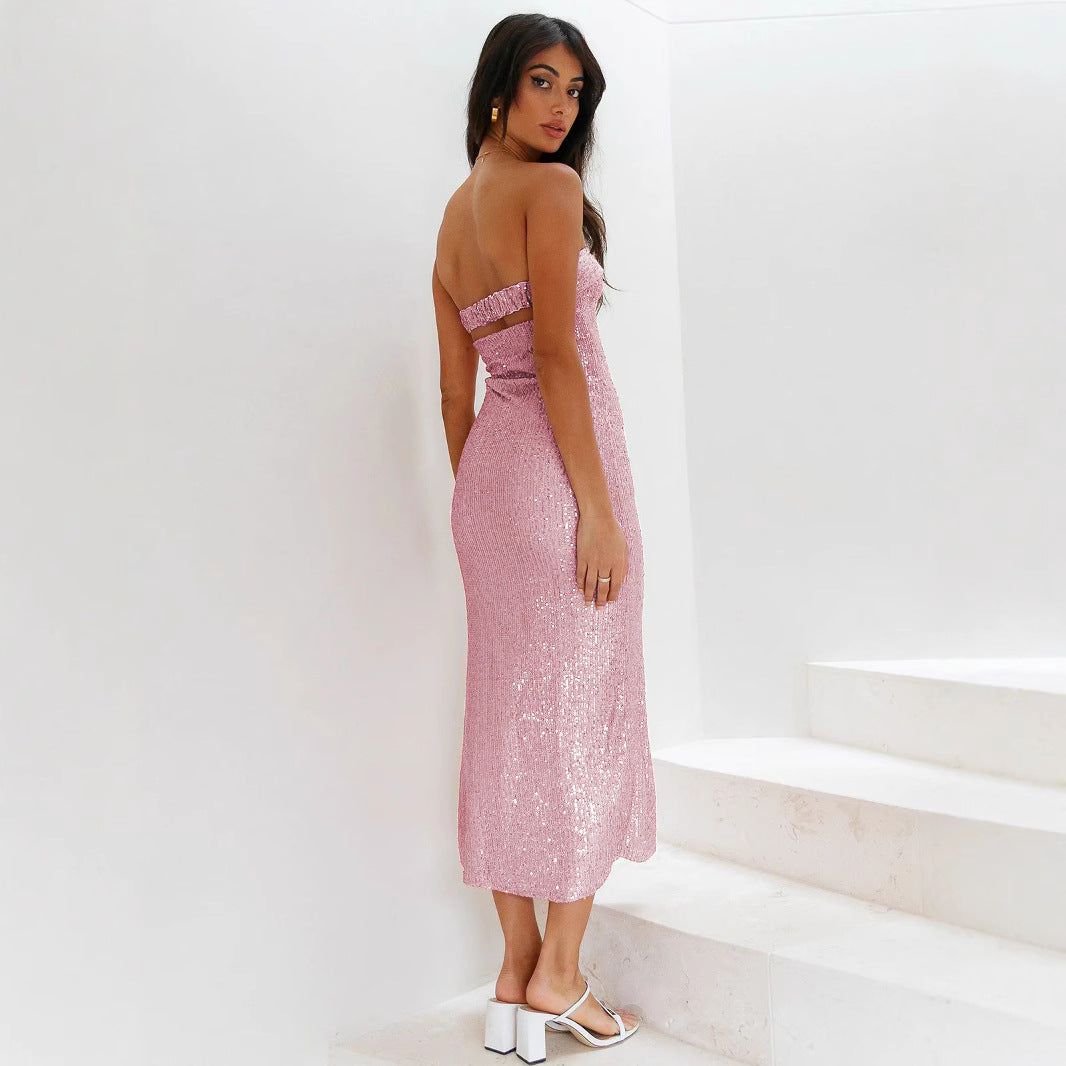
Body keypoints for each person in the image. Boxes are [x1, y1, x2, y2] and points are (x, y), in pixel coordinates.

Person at [431, 13, 656, 1060]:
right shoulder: (552, 190)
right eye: (542, 82)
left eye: (576, 90)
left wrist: (487, 506)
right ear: (498, 90)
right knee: (582, 717)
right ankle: (562, 976)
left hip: (489, 485)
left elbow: (455, 395)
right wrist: (594, 511)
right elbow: (559, 357)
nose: (562, 106)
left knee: (508, 720)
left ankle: (516, 973)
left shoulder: (451, 220)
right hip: (565, 479)